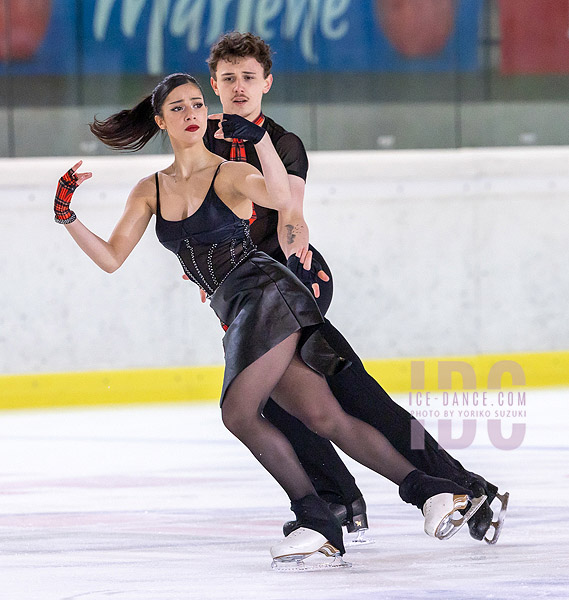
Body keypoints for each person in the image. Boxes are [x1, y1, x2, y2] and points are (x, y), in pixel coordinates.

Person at [53, 73, 486, 567]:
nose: (192, 113)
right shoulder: (148, 190)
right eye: (178, 108)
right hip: (237, 309)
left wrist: (260, 141)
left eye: (198, 104)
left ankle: (317, 519)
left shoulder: (230, 172)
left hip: (266, 294)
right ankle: (430, 492)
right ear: (160, 121)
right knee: (323, 416)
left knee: (238, 413)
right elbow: (111, 257)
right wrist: (66, 214)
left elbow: (282, 199)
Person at [202, 32, 509, 545]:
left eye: (248, 78)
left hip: (293, 286)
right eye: (228, 78)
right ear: (214, 83)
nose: (238, 87)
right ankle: (348, 500)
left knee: (342, 402)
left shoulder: (281, 144)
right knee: (288, 403)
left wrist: (292, 262)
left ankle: (445, 489)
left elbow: (290, 213)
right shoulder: (202, 139)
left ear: (267, 84)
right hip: (248, 297)